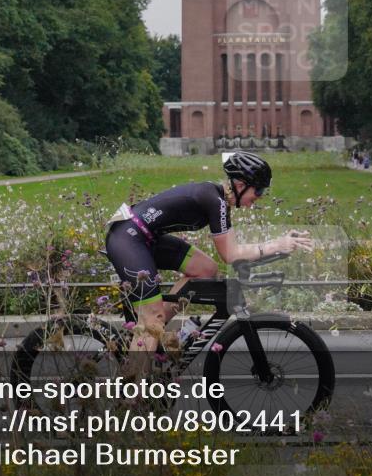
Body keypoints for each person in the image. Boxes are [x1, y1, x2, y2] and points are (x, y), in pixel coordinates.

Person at [103, 151, 313, 358]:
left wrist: (278, 244)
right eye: (258, 191)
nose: (258, 198)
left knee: (205, 269)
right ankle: (133, 387)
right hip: (127, 238)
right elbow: (231, 255)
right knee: (152, 317)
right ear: (240, 185)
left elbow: (233, 250)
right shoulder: (216, 201)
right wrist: (278, 244)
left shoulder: (218, 200)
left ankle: (152, 334)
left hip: (144, 237)